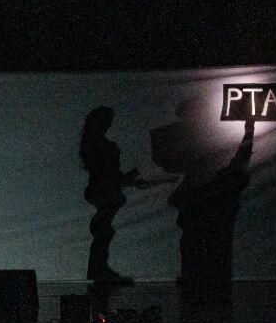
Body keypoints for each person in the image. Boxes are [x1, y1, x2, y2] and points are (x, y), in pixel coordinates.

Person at [79, 106, 174, 282]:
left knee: (103, 230)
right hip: (104, 192)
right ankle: (98, 270)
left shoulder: (93, 144)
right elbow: (110, 176)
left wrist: (133, 179)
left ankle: (98, 269)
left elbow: (110, 176)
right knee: (103, 231)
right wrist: (137, 174)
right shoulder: (101, 145)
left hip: (102, 191)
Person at [169, 119, 254, 285]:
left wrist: (249, 132)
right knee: (208, 251)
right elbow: (242, 157)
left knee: (205, 251)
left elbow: (242, 157)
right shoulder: (220, 181)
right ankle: (205, 282)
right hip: (204, 225)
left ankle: (201, 282)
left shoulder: (220, 183)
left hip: (205, 224)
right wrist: (249, 131)